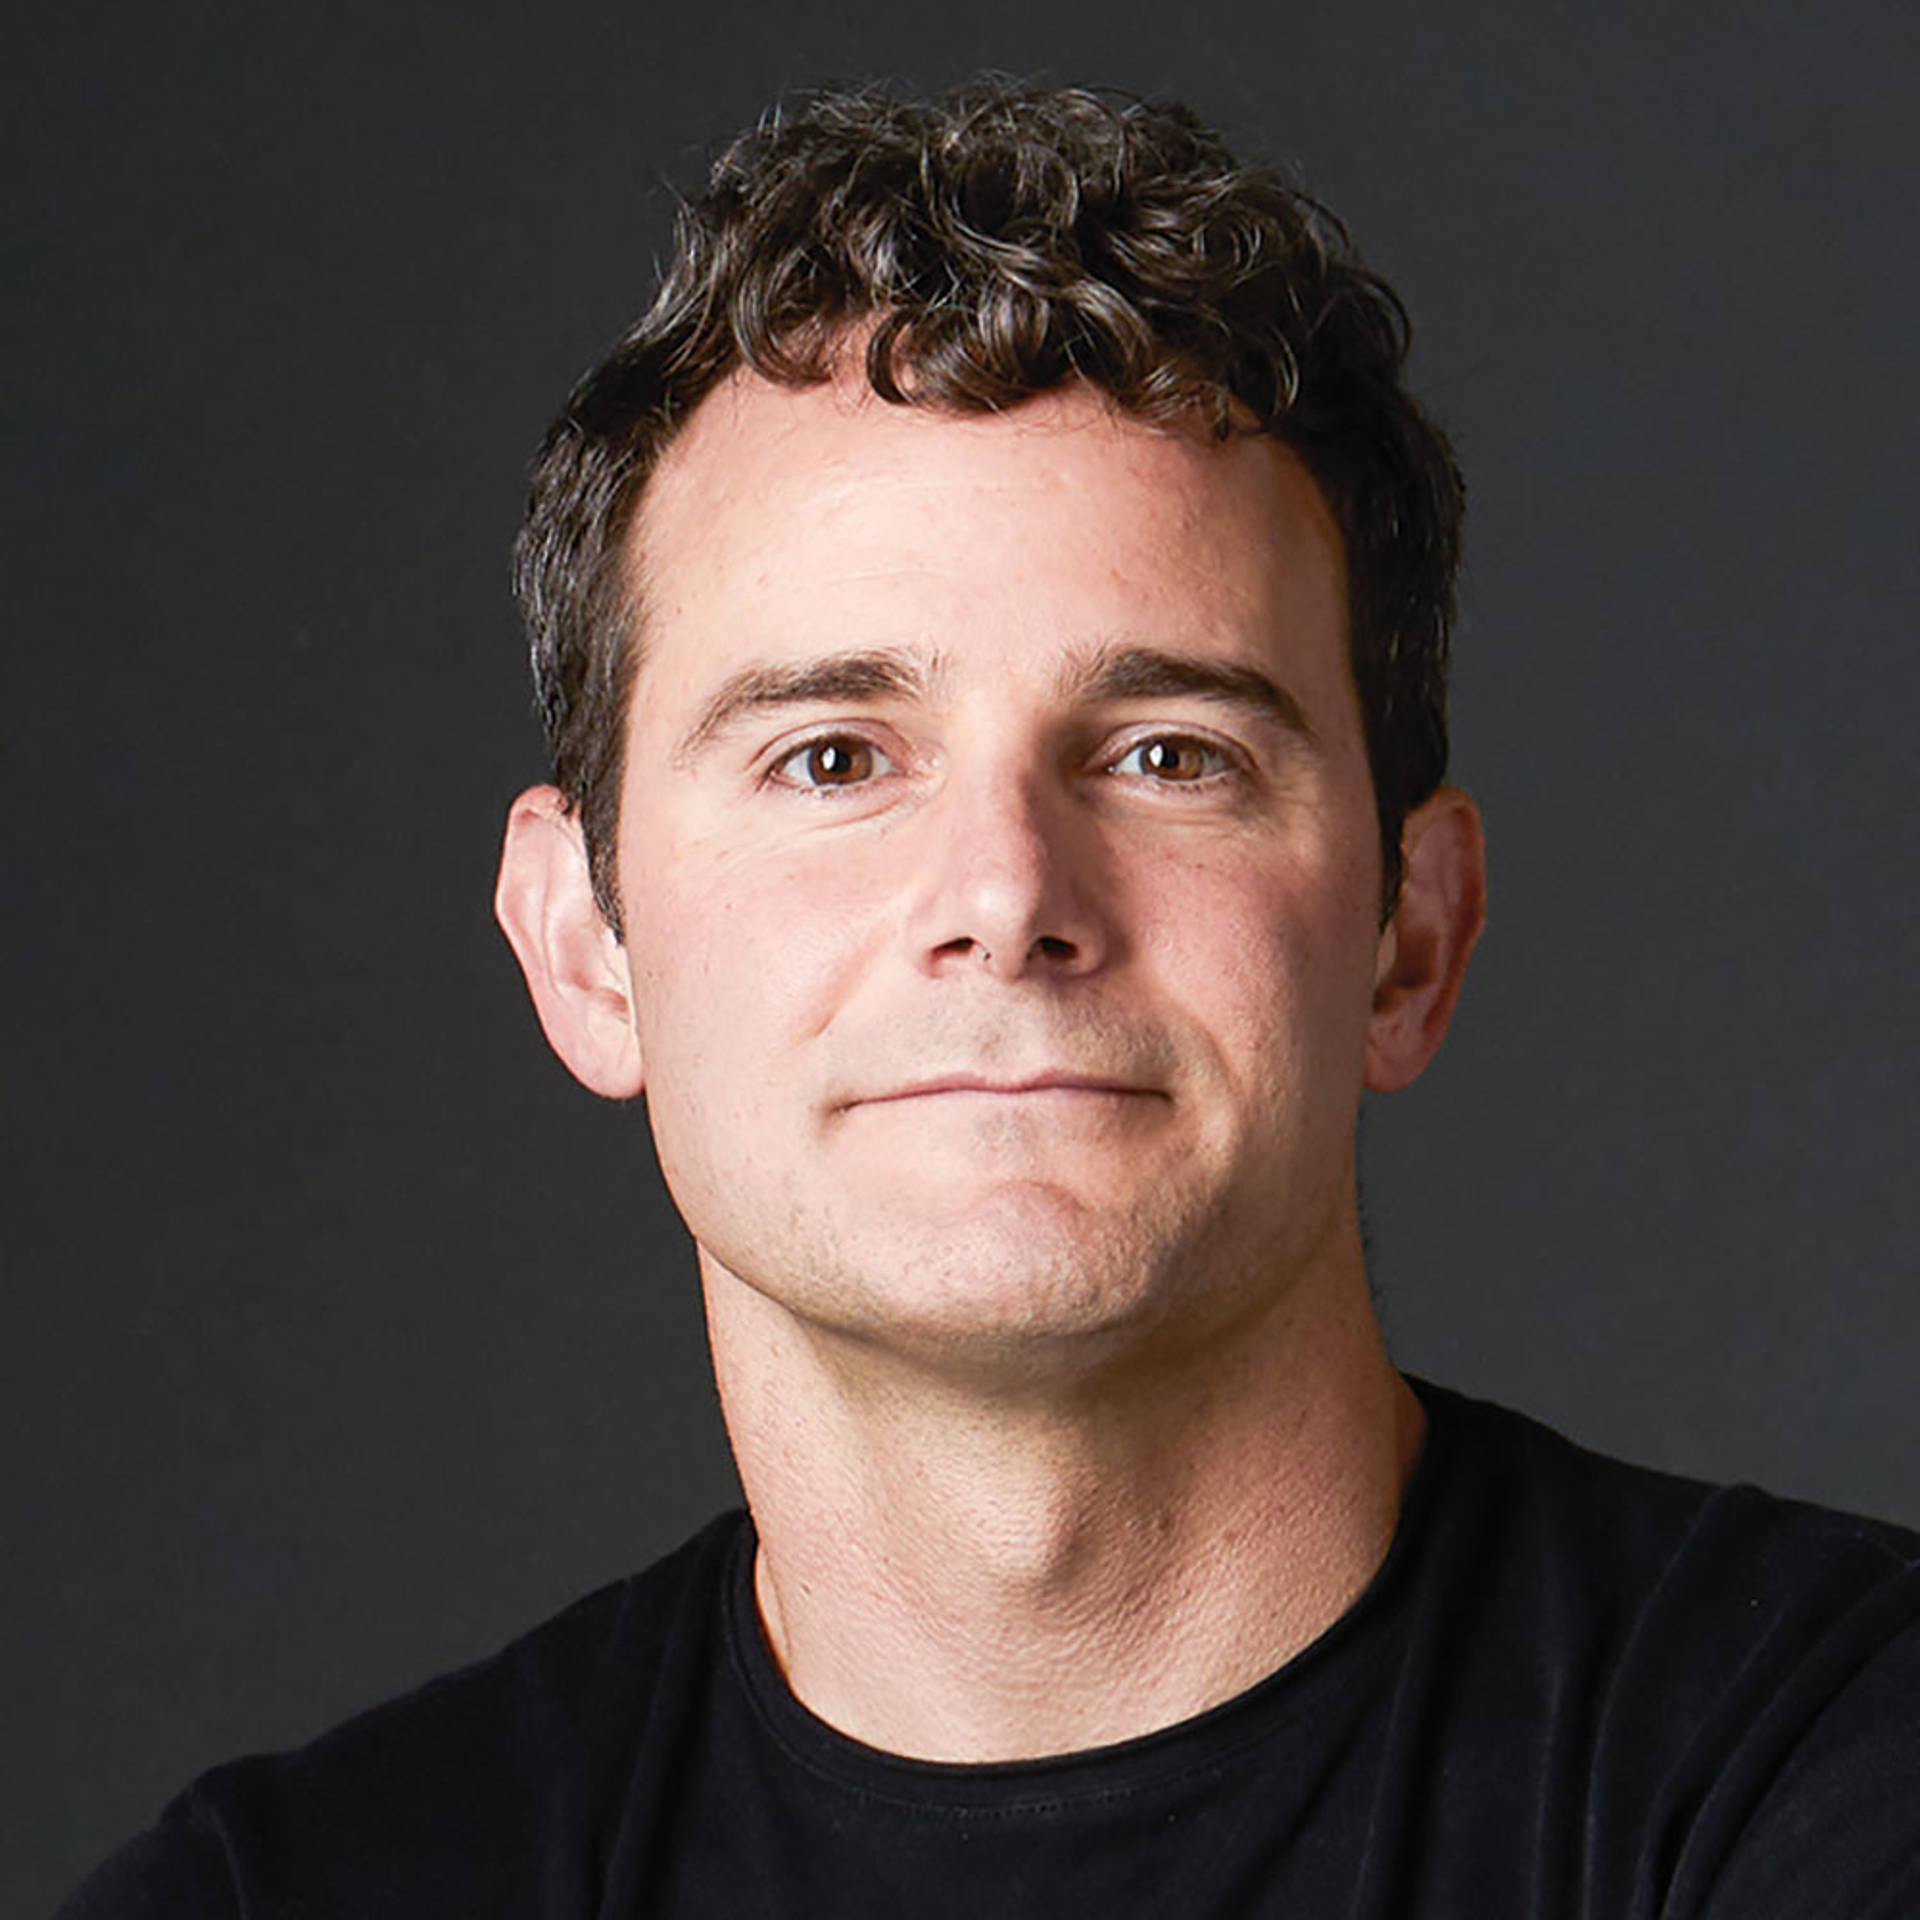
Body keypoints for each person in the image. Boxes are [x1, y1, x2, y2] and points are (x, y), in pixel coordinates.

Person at [61, 80, 1918, 1920]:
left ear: (1408, 938)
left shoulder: (1838, 1767)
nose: (1006, 897)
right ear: (581, 945)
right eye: (833, 758)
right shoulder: (281, 1893)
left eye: (1170, 754)